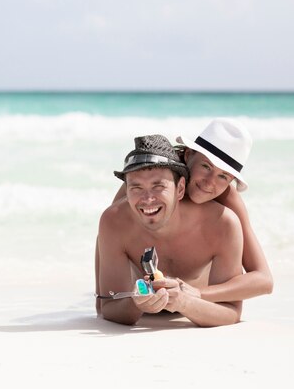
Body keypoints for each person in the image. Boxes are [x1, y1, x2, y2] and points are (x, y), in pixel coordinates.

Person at [98, 119, 273, 304]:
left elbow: (264, 280)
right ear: (188, 154)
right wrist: (102, 300)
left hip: (188, 288)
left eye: (223, 176)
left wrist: (195, 294)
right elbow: (110, 232)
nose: (209, 182)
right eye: (206, 166)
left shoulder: (227, 198)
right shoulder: (150, 177)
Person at [96, 134, 244, 327]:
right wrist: (137, 304)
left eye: (158, 186)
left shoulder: (223, 224)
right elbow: (106, 308)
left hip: (197, 303)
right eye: (136, 187)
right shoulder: (113, 220)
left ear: (180, 188)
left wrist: (184, 302)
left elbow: (231, 312)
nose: (148, 199)